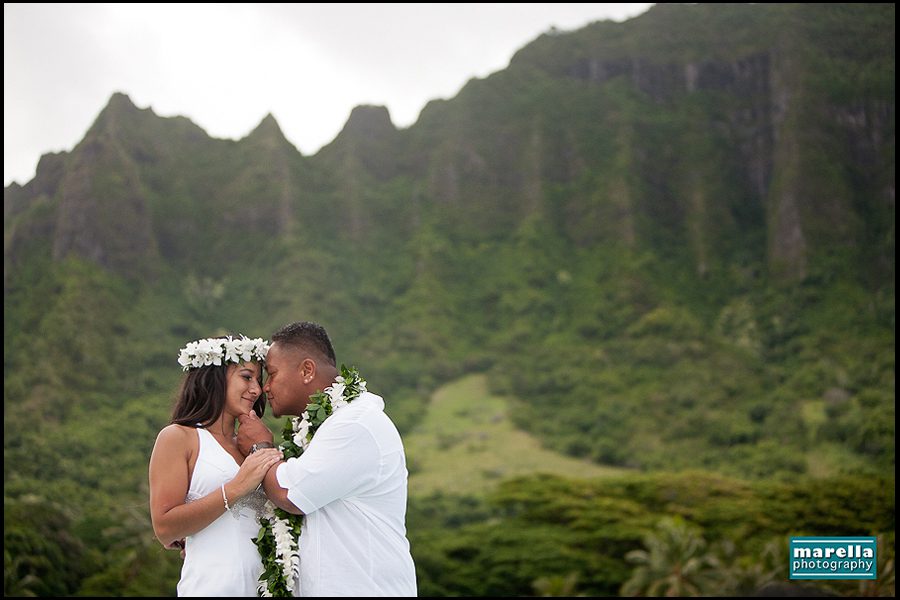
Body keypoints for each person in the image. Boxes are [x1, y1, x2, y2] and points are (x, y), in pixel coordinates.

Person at [236, 321, 417, 597]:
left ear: (307, 370)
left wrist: (259, 447)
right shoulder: (323, 429)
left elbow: (289, 493)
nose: (265, 388)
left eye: (271, 374)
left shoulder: (355, 423)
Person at [149, 335, 284, 597]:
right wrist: (235, 488)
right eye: (247, 377)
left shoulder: (252, 447)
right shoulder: (179, 437)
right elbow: (164, 528)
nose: (256, 389)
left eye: (258, 380)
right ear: (215, 377)